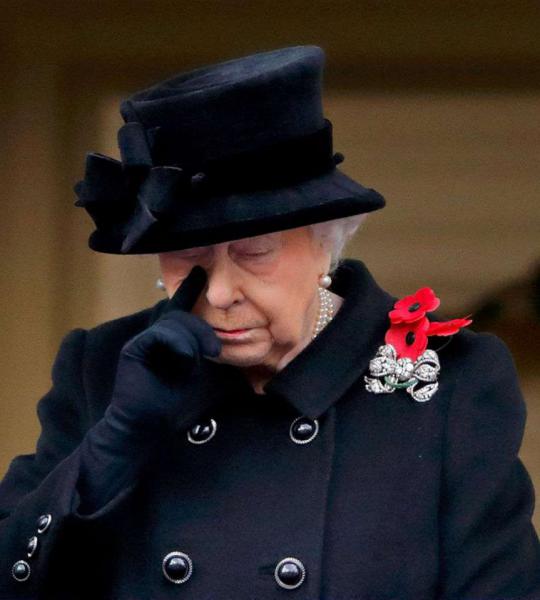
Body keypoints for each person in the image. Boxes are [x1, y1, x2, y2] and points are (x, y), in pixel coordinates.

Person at [0, 45, 539, 600]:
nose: (220, 292)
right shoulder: (101, 367)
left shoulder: (453, 382)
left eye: (254, 252)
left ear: (326, 243)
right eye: (189, 256)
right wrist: (113, 444)